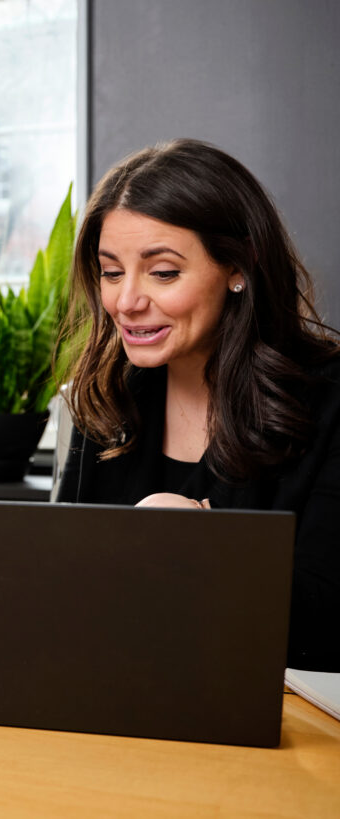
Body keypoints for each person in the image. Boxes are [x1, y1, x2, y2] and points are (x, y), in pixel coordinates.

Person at [57, 138, 340, 670]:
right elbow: (69, 589)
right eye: (112, 272)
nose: (126, 301)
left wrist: (205, 551)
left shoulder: (330, 399)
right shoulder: (108, 394)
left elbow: (325, 629)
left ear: (239, 267)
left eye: (163, 272)